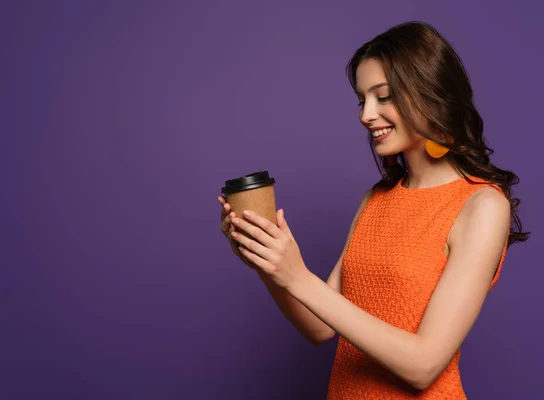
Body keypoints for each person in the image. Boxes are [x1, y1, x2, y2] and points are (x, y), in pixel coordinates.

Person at [217, 21, 529, 398]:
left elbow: (423, 365)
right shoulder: (376, 199)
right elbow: (320, 327)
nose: (366, 114)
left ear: (430, 94)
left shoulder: (482, 206)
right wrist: (268, 261)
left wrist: (298, 276)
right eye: (362, 99)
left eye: (383, 96)